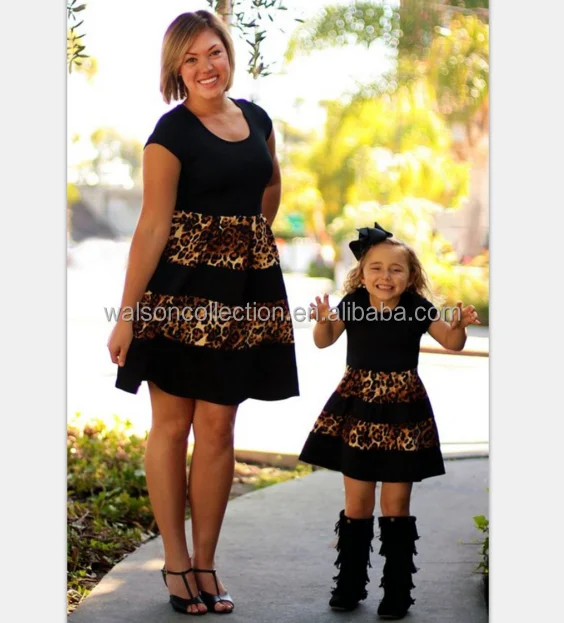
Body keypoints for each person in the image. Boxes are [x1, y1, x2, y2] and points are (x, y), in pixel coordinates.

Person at [107, 10, 299, 615]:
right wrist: (127, 314)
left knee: (219, 428)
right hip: (179, 294)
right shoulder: (170, 134)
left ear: (228, 53)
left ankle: (207, 563)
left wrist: (245, 243)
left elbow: (270, 187)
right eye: (190, 59)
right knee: (172, 427)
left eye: (213, 52)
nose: (205, 67)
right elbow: (152, 227)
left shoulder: (258, 120)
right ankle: (176, 563)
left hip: (242, 293)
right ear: (176, 70)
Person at [299, 222, 480, 620]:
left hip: (403, 414)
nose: (385, 276)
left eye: (396, 269)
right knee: (357, 502)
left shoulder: (418, 307)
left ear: (411, 276)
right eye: (376, 268)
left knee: (396, 503)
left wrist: (458, 328)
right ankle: (349, 585)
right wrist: (322, 320)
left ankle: (397, 592)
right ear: (362, 274)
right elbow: (324, 340)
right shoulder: (353, 303)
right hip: (358, 411)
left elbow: (451, 343)